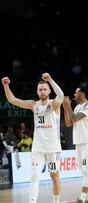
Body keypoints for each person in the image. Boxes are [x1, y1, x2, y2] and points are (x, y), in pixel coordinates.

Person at [2, 73, 63, 203]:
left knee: (54, 176)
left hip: (53, 149)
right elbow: (13, 100)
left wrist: (51, 80)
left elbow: (61, 96)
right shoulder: (33, 105)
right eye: (40, 89)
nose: (42, 91)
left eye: (45, 89)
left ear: (49, 91)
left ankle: (56, 201)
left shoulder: (54, 104)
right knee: (34, 176)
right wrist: (6, 86)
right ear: (37, 91)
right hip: (38, 148)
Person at [63, 86, 88, 203]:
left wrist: (68, 107)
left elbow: (75, 118)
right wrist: (65, 108)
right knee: (85, 171)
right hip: (78, 142)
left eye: (76, 92)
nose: (74, 94)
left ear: (82, 93)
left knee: (86, 169)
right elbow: (68, 123)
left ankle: (82, 198)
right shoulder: (77, 107)